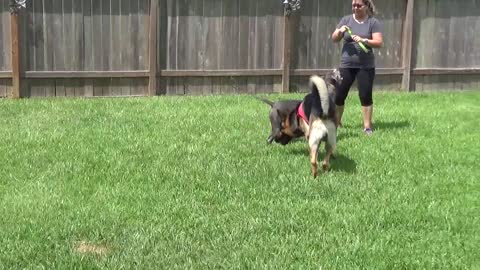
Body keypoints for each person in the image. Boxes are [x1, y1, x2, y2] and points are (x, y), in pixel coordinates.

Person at [331, 0, 383, 135]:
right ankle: (336, 123)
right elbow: (334, 38)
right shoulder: (346, 20)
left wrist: (365, 40)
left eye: (359, 5)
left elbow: (378, 42)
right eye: (353, 5)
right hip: (346, 65)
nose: (355, 7)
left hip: (366, 66)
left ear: (366, 6)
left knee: (365, 95)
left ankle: (367, 127)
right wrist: (340, 32)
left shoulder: (373, 22)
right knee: (339, 95)